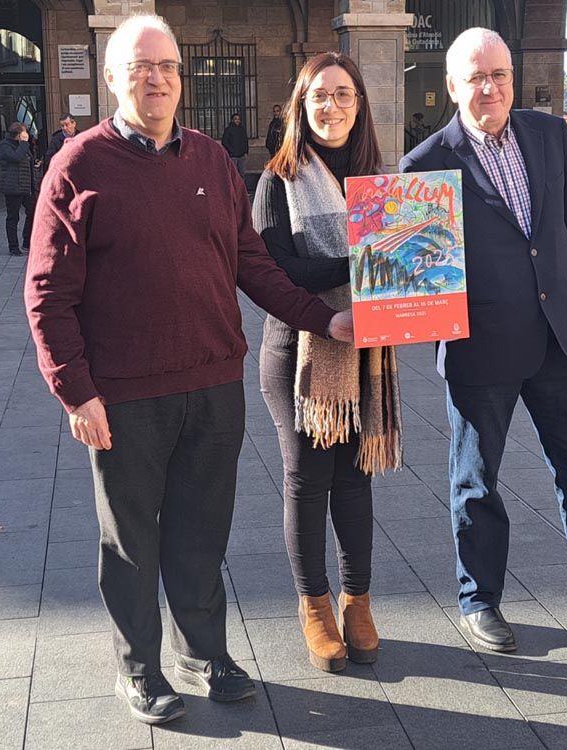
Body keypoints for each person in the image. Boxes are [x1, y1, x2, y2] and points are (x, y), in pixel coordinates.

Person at [23, 14, 354, 727]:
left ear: (183, 77)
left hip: (211, 384)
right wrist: (75, 390)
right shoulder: (77, 167)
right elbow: (47, 294)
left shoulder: (210, 161)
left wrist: (322, 319)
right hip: (124, 396)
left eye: (168, 66)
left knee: (203, 529)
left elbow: (253, 266)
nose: (156, 78)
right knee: (132, 538)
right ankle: (139, 668)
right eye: (140, 66)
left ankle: (203, 654)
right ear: (112, 77)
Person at [399, 28, 567, 653]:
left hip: (559, 341)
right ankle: (480, 600)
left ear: (512, 78)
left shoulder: (548, 136)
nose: (490, 88)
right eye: (476, 78)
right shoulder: (425, 165)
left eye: (501, 75)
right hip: (481, 349)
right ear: (453, 87)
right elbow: (418, 274)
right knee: (476, 482)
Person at [253, 52, 401, 674]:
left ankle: (357, 601)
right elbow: (276, 270)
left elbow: (414, 269)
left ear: (360, 104)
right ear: (300, 105)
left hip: (366, 355)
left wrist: (415, 287)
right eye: (320, 96)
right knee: (308, 483)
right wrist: (367, 263)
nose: (332, 106)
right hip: (300, 355)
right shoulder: (277, 179)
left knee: (356, 481)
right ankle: (314, 607)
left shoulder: (381, 182)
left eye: (344, 95)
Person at [0, 121, 37, 256]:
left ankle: (27, 242)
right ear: (18, 134)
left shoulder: (22, 145)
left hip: (26, 187)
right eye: (24, 132)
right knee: (13, 217)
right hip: (13, 187)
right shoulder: (5, 145)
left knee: (33, 213)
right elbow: (16, 157)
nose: (26, 134)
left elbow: (28, 160)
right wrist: (25, 143)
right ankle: (13, 246)